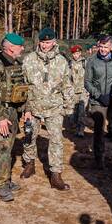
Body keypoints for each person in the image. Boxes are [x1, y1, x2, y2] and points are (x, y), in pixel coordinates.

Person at [21, 28, 74, 191]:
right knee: (29, 135)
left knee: (56, 140)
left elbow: (67, 84)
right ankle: (29, 163)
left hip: (54, 107)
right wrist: (26, 108)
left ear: (54, 42)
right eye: (43, 42)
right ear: (39, 42)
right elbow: (23, 85)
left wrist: (68, 105)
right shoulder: (29, 59)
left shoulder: (62, 61)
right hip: (33, 106)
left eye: (48, 42)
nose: (45, 46)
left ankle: (55, 174)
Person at [0, 33, 31, 201]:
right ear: (10, 48)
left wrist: (25, 109)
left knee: (8, 148)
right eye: (20, 46)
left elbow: (21, 88)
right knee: (2, 148)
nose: (23, 48)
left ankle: (6, 180)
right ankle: (2, 185)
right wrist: (0, 117)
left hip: (13, 112)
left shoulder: (16, 63)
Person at [84, 35, 112, 174]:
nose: (102, 50)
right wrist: (98, 95)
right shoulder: (91, 61)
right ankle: (99, 159)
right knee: (99, 130)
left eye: (105, 47)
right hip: (98, 101)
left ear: (111, 47)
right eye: (100, 47)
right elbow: (87, 82)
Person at [67, 45, 88, 137]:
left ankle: (81, 130)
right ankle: (75, 128)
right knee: (73, 112)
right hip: (73, 91)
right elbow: (67, 77)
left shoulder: (85, 62)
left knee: (82, 111)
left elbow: (90, 75)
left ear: (80, 53)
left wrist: (88, 89)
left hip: (83, 90)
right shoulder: (69, 63)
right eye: (74, 53)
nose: (76, 55)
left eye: (78, 53)